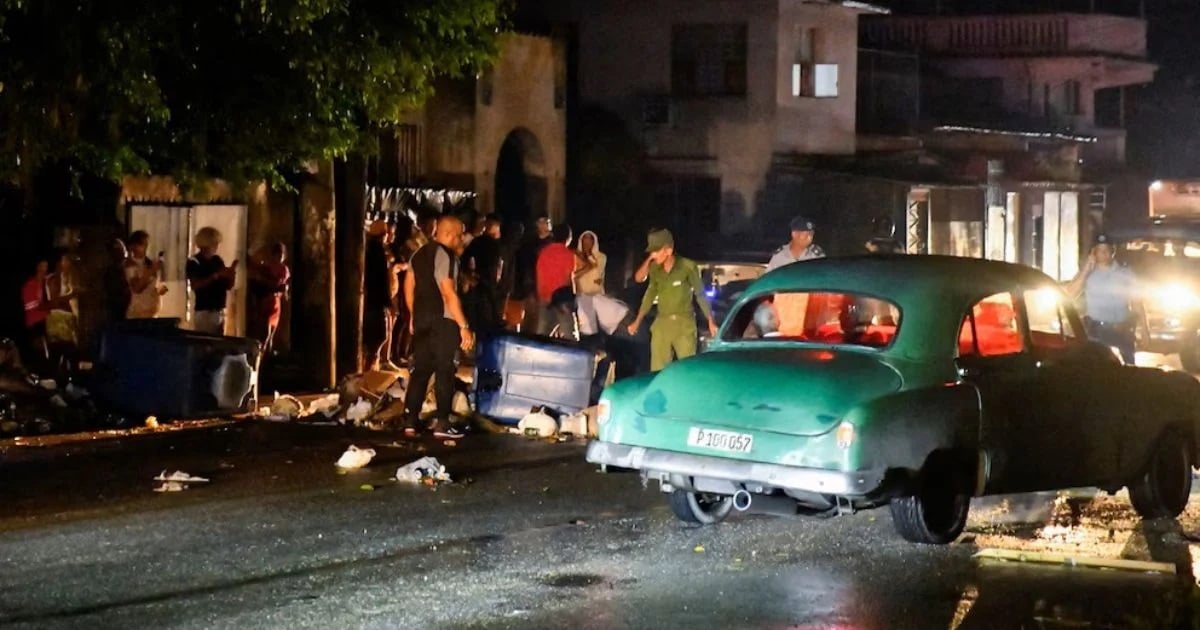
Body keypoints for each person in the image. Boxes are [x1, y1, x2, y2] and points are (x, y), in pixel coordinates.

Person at [403, 214, 474, 439]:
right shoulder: (447, 256)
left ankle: (411, 422)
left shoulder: (419, 254)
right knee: (445, 371)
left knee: (420, 371)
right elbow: (448, 292)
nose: (461, 239)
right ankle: (442, 424)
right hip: (444, 321)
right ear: (449, 234)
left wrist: (414, 314)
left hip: (423, 320)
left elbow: (408, 285)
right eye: (459, 235)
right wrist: (463, 325)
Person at [627, 229, 718, 371]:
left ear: (668, 250)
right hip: (662, 324)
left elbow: (700, 294)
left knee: (687, 370)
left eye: (657, 251)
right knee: (658, 371)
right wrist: (637, 321)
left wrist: (710, 320)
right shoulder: (655, 268)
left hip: (684, 324)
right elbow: (646, 290)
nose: (654, 254)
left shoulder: (687, 266)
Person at [1066, 233, 1142, 365]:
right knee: (1098, 371)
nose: (1104, 253)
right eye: (1100, 250)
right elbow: (1070, 294)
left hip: (1122, 331)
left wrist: (1145, 330)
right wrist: (1086, 269)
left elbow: (1137, 302)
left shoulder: (1126, 273)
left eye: (1107, 249)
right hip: (1097, 332)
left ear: (1113, 251)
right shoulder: (1087, 274)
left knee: (1129, 372)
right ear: (1094, 252)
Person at [187, 227, 237, 335]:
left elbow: (228, 286)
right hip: (204, 311)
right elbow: (195, 285)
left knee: (219, 344)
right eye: (214, 244)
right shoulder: (194, 262)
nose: (216, 247)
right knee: (205, 345)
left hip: (219, 310)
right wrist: (215, 276)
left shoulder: (217, 260)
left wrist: (231, 274)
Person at [462, 216, 504, 336]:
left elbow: (465, 258)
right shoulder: (496, 245)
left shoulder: (477, 242)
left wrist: (470, 275)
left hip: (477, 285)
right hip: (488, 286)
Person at [249, 242, 290, 355]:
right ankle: (263, 352)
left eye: (281, 255)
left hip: (275, 301)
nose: (279, 257)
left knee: (272, 331)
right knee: (266, 330)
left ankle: (267, 353)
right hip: (267, 301)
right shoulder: (266, 268)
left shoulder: (283, 269)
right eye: (277, 254)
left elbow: (280, 284)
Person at [514, 215, 554, 332]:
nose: (542, 225)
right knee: (530, 321)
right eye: (540, 222)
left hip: (548, 288)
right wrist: (529, 288)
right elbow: (527, 267)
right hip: (532, 286)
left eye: (545, 222)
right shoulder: (530, 244)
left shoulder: (553, 244)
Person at [363, 220, 393, 372]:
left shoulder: (368, 250)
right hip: (376, 302)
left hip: (371, 302)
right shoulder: (378, 252)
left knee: (375, 341)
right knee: (378, 338)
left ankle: (370, 371)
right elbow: (382, 280)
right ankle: (369, 374)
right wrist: (387, 301)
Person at [124, 230, 167, 319]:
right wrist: (151, 271)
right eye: (142, 244)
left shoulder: (149, 263)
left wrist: (160, 289)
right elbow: (136, 288)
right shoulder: (130, 265)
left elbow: (156, 285)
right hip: (137, 315)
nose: (146, 247)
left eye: (147, 244)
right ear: (133, 246)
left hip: (152, 314)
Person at [574, 230, 606, 296]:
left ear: (594, 241)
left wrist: (588, 255)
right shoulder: (575, 256)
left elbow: (598, 272)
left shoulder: (601, 257)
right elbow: (574, 275)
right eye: (585, 238)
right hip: (580, 293)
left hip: (596, 293)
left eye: (590, 239)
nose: (587, 241)